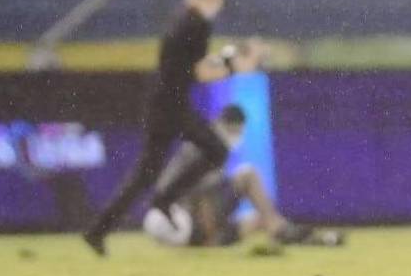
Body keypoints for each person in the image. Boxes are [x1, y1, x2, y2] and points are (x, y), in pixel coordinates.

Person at [82, 0, 261, 255]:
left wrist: (226, 59)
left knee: (145, 174)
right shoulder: (197, 24)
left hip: (164, 103)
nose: (219, 4)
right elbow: (201, 72)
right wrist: (233, 66)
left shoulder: (183, 18)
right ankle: (164, 200)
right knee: (216, 149)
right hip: (172, 107)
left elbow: (191, 63)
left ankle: (98, 230)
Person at [142, 104, 344, 249]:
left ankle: (312, 238)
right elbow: (195, 194)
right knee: (248, 176)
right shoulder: (209, 147)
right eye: (234, 130)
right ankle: (278, 229)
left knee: (258, 220)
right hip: (181, 221)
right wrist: (210, 235)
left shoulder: (199, 144)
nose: (236, 136)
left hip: (173, 225)